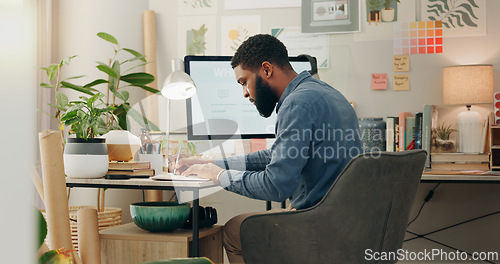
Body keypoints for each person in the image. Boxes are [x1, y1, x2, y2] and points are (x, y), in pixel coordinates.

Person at [175, 34, 362, 263]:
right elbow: (276, 155)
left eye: (244, 81)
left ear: (266, 70)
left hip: (318, 222)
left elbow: (276, 186)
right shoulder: (328, 94)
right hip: (347, 220)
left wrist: (220, 177)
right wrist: (212, 164)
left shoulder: (297, 104)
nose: (244, 92)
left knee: (235, 230)